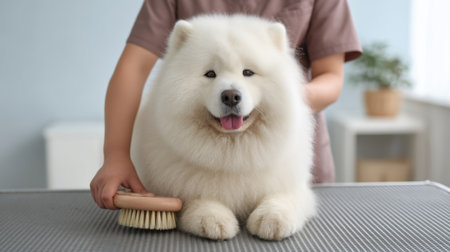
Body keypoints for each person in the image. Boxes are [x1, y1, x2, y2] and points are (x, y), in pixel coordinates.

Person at [90, 0, 362, 209]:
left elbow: (331, 78)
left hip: (285, 154)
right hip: (190, 164)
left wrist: (285, 99)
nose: (231, 93)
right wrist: (116, 153)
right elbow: (134, 67)